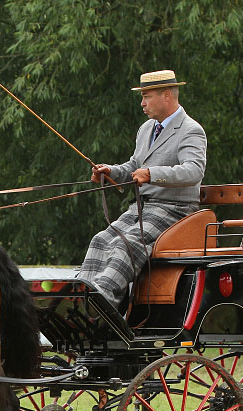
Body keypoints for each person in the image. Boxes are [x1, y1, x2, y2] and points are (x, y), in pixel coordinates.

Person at [78, 69, 207, 309]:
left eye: (146, 96)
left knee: (126, 243)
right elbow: (135, 166)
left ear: (166, 95)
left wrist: (152, 174)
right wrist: (112, 172)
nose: (142, 103)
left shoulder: (191, 130)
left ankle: (102, 304)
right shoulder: (146, 129)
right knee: (100, 240)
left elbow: (193, 171)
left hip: (175, 211)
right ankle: (82, 298)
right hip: (143, 208)